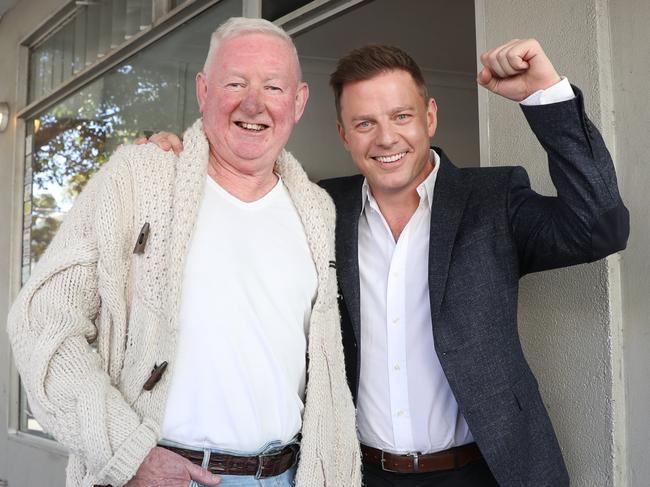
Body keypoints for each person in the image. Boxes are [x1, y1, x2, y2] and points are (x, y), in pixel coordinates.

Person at [144, 39, 629, 486]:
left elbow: (599, 226)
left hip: (486, 471)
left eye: (401, 116)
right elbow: (234, 197)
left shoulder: (492, 200)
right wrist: (178, 161)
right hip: (359, 473)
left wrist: (544, 95)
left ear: (429, 117)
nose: (386, 138)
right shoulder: (315, 208)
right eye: (365, 123)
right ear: (343, 134)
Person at [7, 17, 361, 487]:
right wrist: (125, 452)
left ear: (297, 103)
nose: (253, 103)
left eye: (273, 87)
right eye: (235, 82)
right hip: (165, 475)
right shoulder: (140, 180)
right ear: (203, 91)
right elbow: (42, 323)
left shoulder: (316, 209)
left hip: (289, 476)